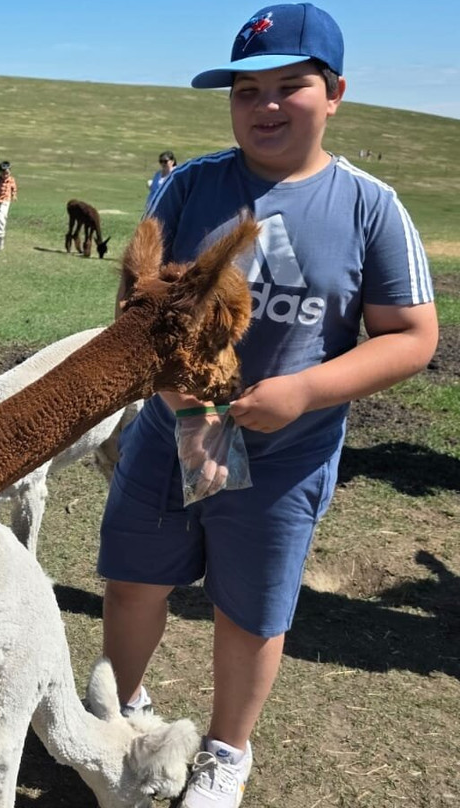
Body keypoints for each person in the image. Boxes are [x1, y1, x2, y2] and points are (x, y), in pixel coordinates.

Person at [98, 5, 437, 807]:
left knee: (251, 609)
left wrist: (304, 392)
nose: (266, 105)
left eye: (292, 85)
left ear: (336, 93)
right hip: (170, 431)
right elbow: (137, 309)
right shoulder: (189, 186)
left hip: (287, 454)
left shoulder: (370, 206)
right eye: (247, 90)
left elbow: (413, 335)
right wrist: (184, 409)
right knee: (133, 581)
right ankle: (123, 716)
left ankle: (225, 754)